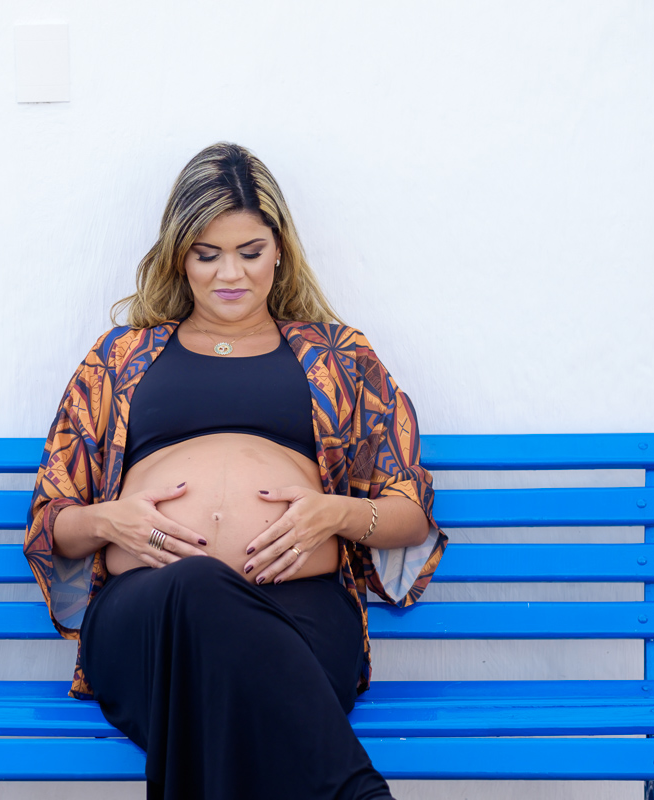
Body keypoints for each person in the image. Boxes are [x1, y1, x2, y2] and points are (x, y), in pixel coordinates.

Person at [24, 141, 448, 799]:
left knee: (222, 679)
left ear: (279, 249)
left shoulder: (338, 355)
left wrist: (335, 512)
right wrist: (111, 520)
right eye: (207, 254)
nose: (232, 274)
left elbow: (408, 510)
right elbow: (54, 521)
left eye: (250, 252)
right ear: (178, 256)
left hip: (301, 620)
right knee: (196, 588)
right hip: (150, 621)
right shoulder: (120, 358)